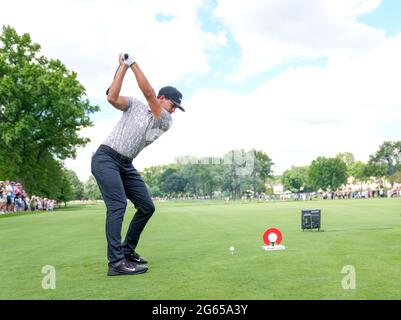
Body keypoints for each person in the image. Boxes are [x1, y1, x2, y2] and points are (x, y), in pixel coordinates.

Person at [91, 53, 186, 276]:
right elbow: (112, 97)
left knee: (147, 206)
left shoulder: (164, 120)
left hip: (125, 164)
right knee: (117, 206)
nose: (174, 110)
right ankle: (116, 263)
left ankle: (127, 250)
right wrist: (125, 66)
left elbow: (148, 93)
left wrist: (131, 63)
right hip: (105, 158)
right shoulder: (133, 104)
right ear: (163, 98)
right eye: (174, 105)